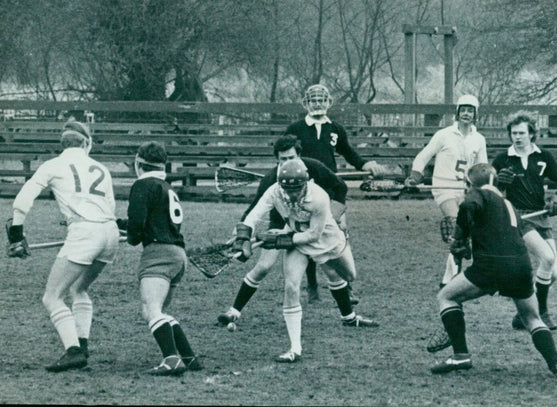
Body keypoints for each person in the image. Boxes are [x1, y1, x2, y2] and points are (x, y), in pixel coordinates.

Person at [430, 164, 557, 377]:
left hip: (489, 267)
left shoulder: (477, 194)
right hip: (520, 267)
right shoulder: (509, 205)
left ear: (470, 184)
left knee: (446, 297)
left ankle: (461, 356)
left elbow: (469, 206)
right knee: (532, 317)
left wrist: (459, 238)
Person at [234, 158, 378, 363]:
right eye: (287, 190)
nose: (291, 195)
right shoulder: (275, 191)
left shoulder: (318, 197)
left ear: (306, 183)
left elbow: (313, 235)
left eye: (296, 190)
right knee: (291, 287)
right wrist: (243, 236)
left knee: (349, 275)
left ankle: (348, 315)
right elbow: (254, 214)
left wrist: (280, 239)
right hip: (297, 241)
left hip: (327, 239)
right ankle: (295, 348)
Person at [6, 120, 119, 372]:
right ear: (85, 143)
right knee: (79, 289)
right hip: (109, 234)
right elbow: (108, 208)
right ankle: (82, 344)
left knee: (52, 297)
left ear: (63, 143)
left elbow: (23, 199)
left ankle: (73, 351)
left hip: (84, 233)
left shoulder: (54, 165)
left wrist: (16, 233)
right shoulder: (101, 167)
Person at [217, 134, 349, 326]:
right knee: (263, 267)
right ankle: (233, 311)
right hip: (280, 225)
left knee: (332, 271)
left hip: (315, 224)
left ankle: (349, 317)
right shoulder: (271, 180)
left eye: (291, 157)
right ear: (277, 159)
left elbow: (340, 187)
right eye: (283, 159)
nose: (288, 162)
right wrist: (241, 233)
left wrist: (335, 216)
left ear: (299, 156)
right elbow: (255, 209)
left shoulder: (313, 167)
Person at [285, 84, 384, 301]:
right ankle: (312, 285)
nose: (317, 104)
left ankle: (345, 286)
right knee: (309, 235)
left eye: (321, 100)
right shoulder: (296, 128)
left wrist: (365, 164)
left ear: (329, 103)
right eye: (313, 101)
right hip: (305, 189)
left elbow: (348, 152)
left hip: (330, 187)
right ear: (306, 104)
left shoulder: (336, 129)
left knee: (338, 233)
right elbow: (286, 155)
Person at [119, 141, 201, 376]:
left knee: (151, 309)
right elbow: (153, 220)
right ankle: (188, 357)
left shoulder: (142, 184)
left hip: (158, 254)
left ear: (138, 163)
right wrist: (121, 226)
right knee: (159, 311)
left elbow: (137, 224)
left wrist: (131, 234)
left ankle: (171, 359)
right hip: (177, 255)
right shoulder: (165, 187)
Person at [492, 114, 557, 331]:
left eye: (521, 133)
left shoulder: (543, 156)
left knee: (553, 273)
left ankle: (522, 314)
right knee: (546, 257)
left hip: (540, 216)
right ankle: (540, 313)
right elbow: (490, 192)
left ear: (532, 134)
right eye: (513, 133)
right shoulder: (502, 160)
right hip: (517, 218)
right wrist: (499, 183)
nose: (517, 137)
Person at [404, 94, 488, 287]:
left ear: (476, 114)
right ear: (457, 112)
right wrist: (416, 175)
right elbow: (423, 156)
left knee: (462, 235)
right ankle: (450, 279)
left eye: (470, 110)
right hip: (444, 187)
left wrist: (483, 187)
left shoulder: (479, 139)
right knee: (455, 224)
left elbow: (482, 167)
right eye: (463, 110)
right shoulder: (444, 135)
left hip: (466, 190)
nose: (466, 114)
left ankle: (450, 278)